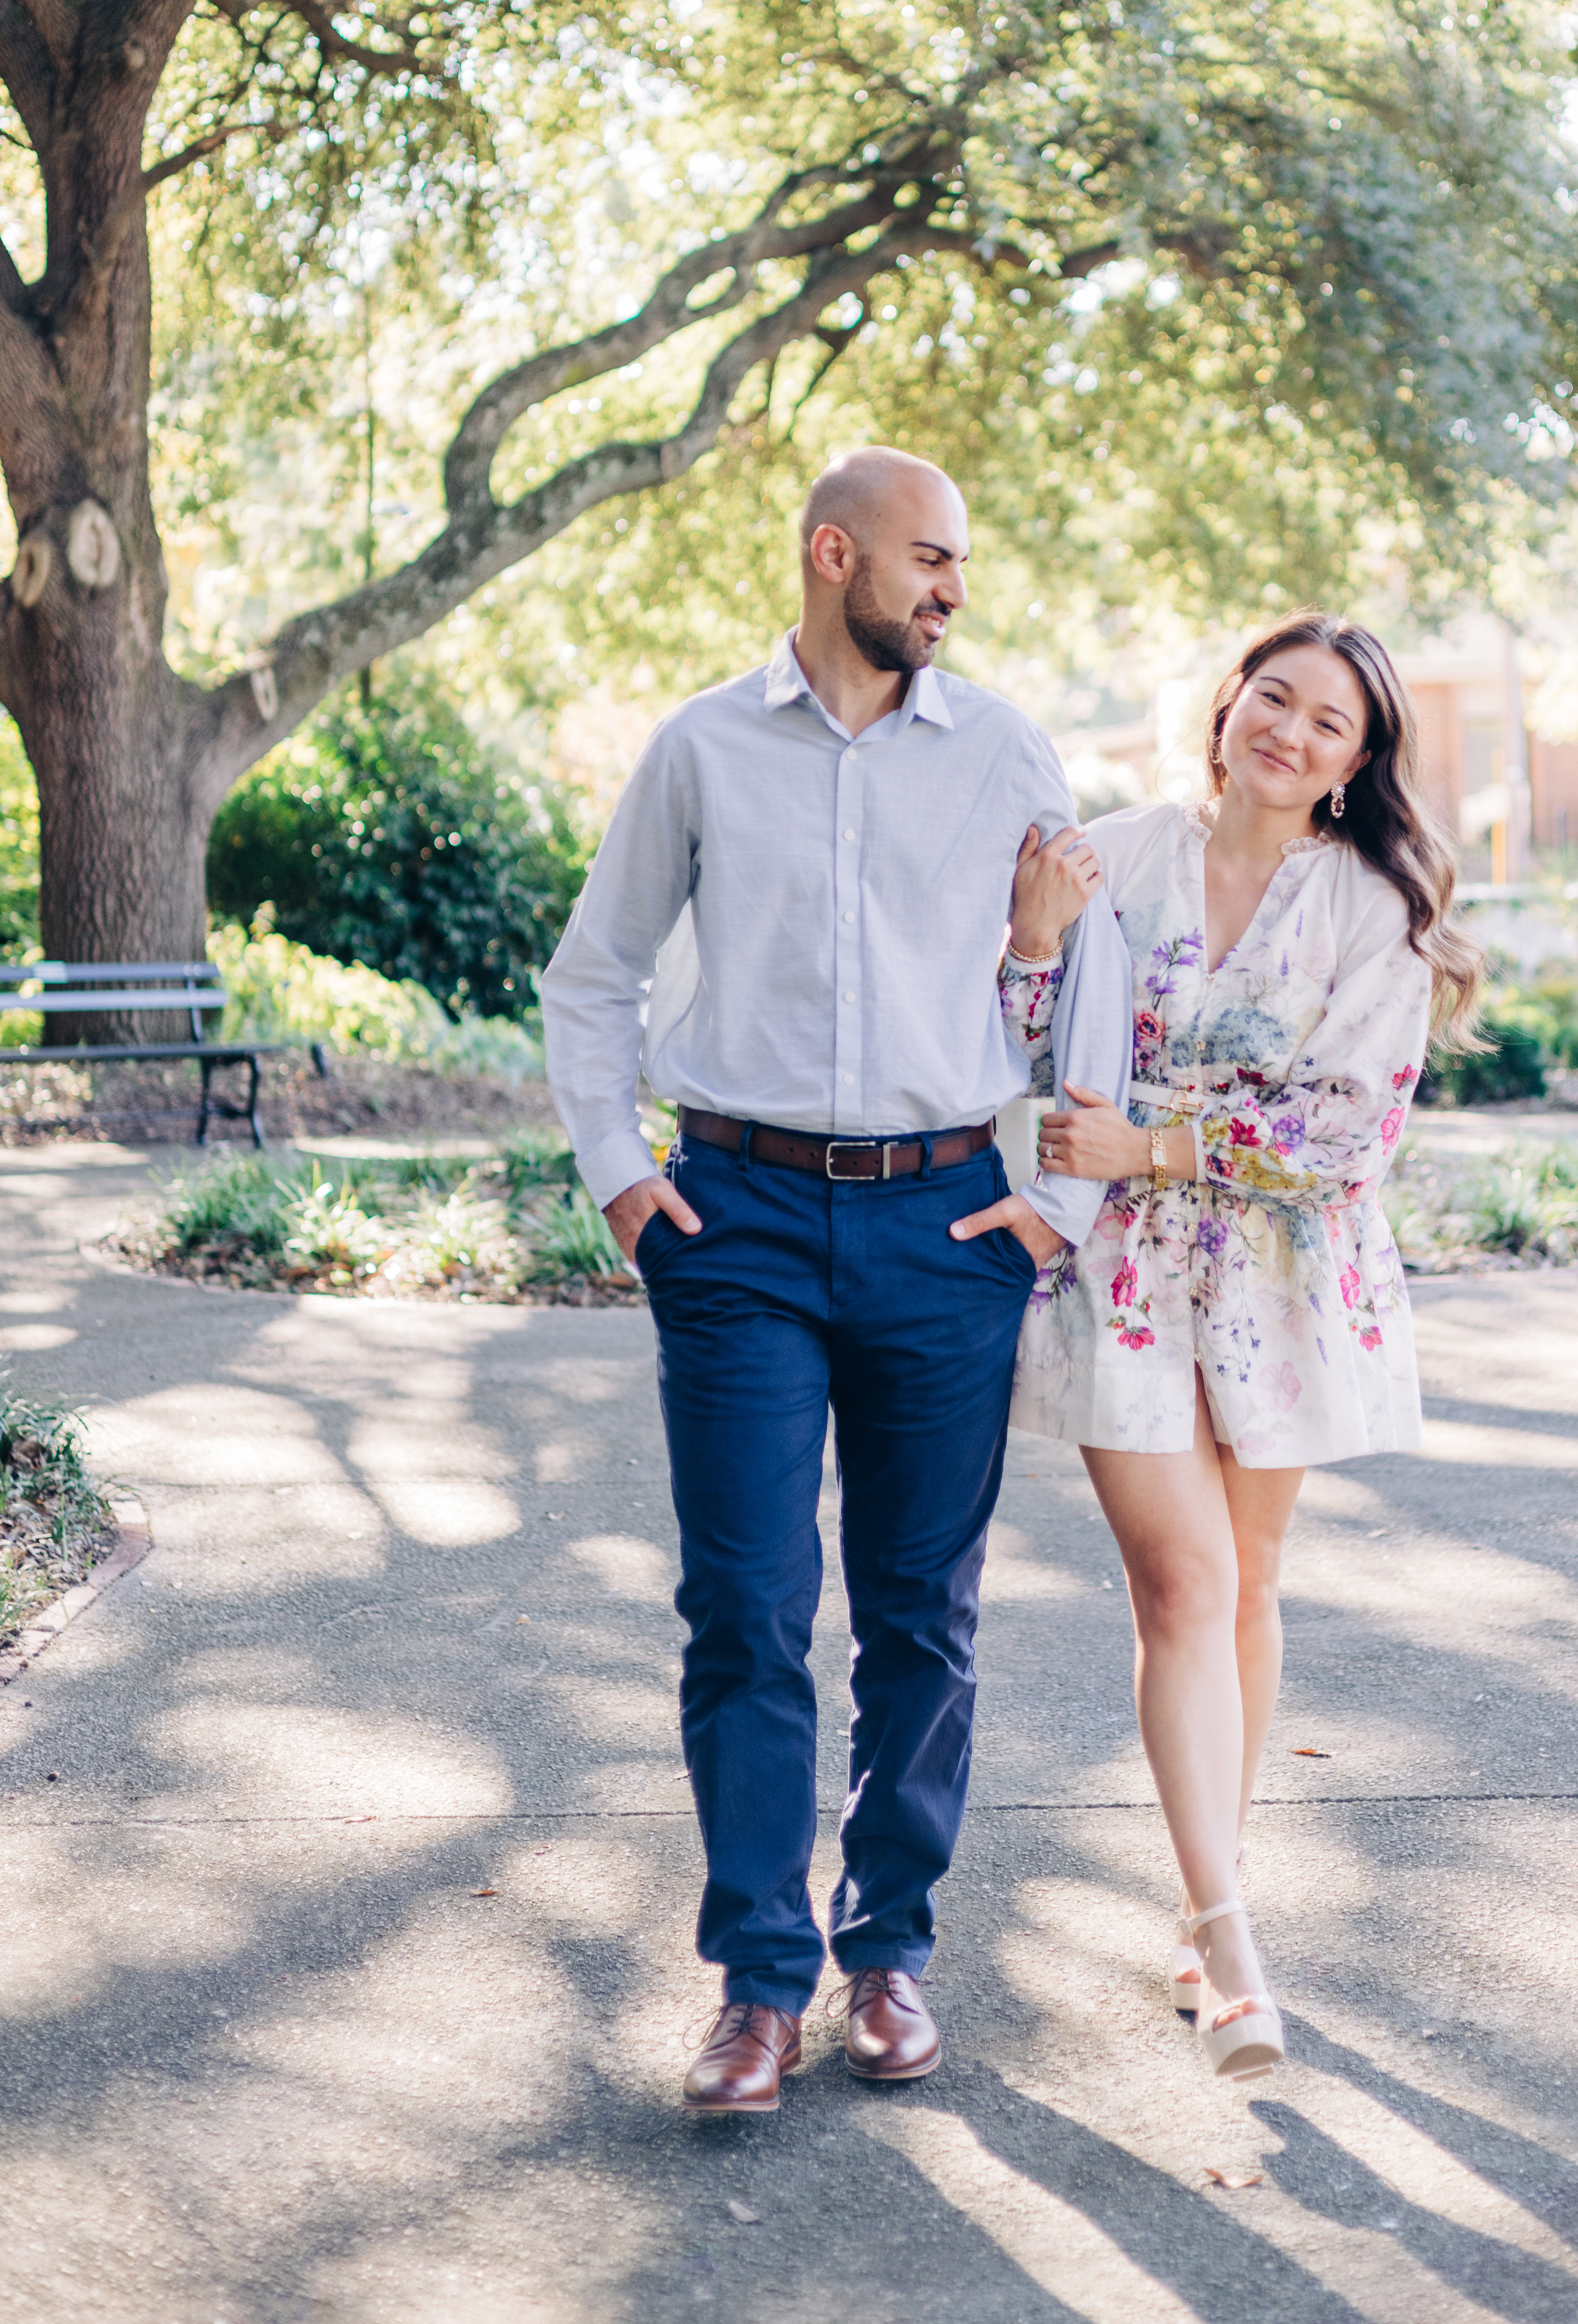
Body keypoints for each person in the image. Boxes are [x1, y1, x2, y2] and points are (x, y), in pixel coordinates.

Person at [540, 447, 1132, 2115]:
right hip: (734, 1221)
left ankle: (887, 1952)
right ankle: (753, 1981)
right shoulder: (702, 748)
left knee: (916, 1617)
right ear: (832, 554)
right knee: (739, 1607)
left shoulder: (1006, 747)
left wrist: (1051, 1207)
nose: (950, 589)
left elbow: (1080, 978)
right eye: (926, 559)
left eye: (958, 565)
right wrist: (621, 1176)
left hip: (945, 1230)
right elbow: (593, 976)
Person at [996, 610, 1483, 2079]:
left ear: (1353, 763)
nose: (1290, 732)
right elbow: (1018, 1051)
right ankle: (1224, 1935)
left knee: (1248, 1582)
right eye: (1272, 699)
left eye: (1327, 723)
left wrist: (1158, 1139)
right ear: (1226, 710)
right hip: (1121, 1276)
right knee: (1181, 1579)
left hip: (1280, 1280)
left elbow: (1352, 1133)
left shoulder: (1367, 912)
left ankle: (1215, 1879)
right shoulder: (1112, 858)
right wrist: (1030, 944)